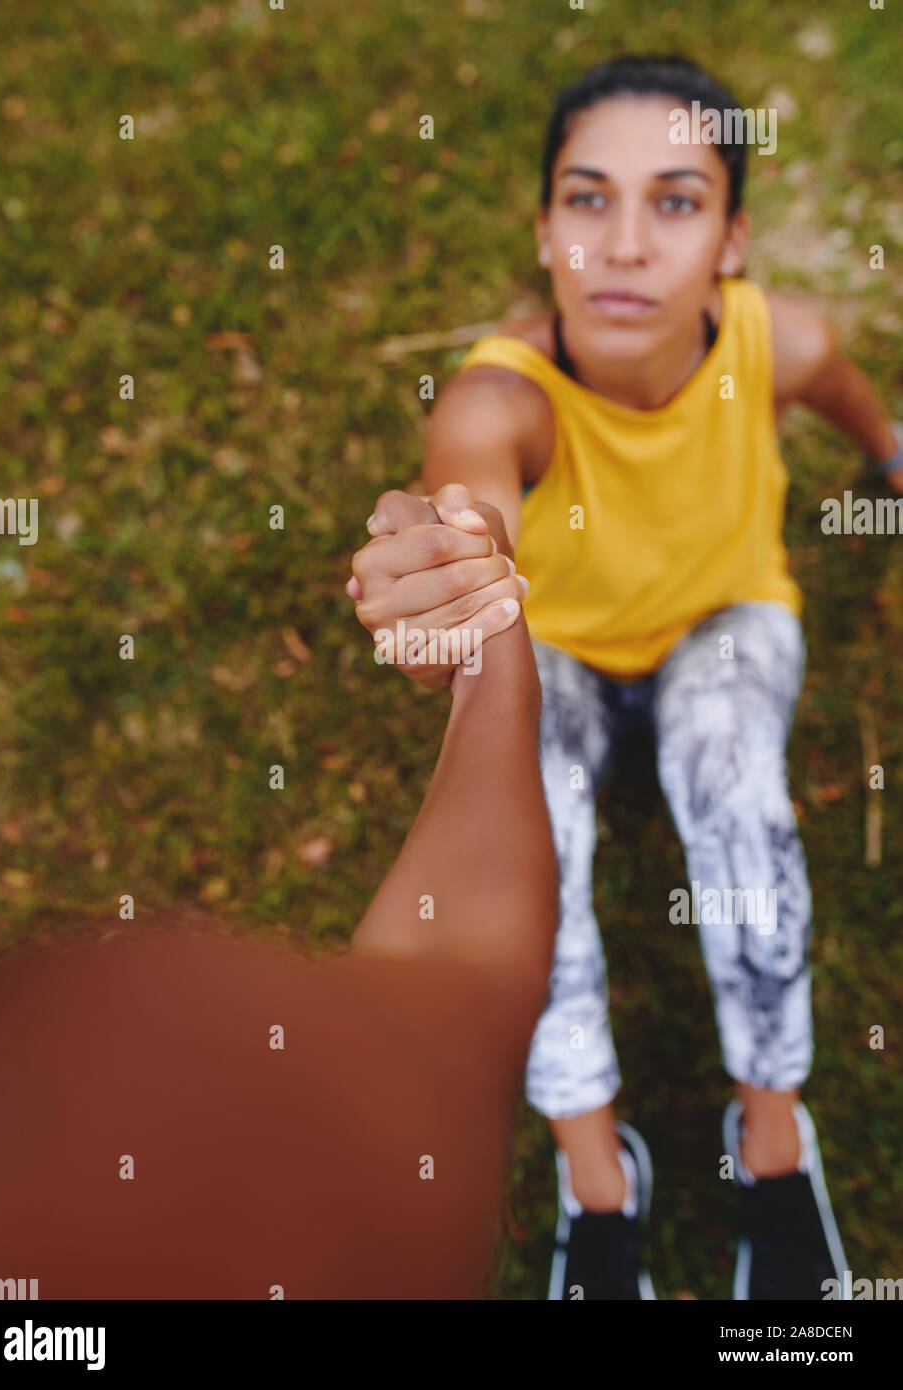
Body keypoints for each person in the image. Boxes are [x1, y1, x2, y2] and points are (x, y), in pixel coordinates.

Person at [347, 54, 902, 1300]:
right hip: (564, 647)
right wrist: (446, 565)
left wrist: (889, 455)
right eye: (588, 199)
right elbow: (469, 501)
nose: (626, 244)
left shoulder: (780, 340)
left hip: (724, 620)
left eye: (676, 199)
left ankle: (772, 1142)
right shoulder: (501, 394)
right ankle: (599, 1177)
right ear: (544, 232)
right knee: (535, 840)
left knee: (741, 798)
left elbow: (841, 393)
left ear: (733, 238)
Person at [0, 505, 557, 1300]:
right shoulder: (116, 1184)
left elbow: (457, 984)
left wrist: (478, 613)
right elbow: (460, 976)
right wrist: (486, 653)